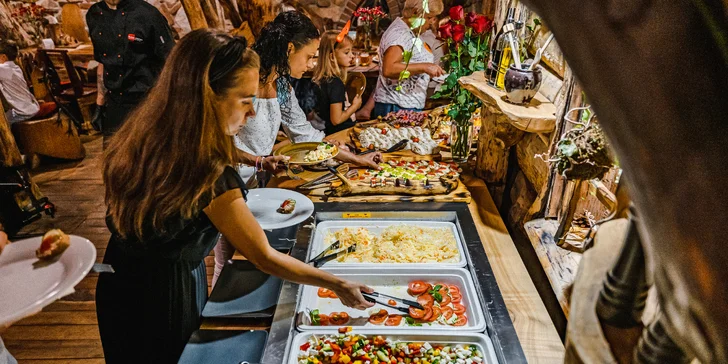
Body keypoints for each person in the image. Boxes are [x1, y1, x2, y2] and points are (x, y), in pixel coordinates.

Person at [96, 29, 374, 363]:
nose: (253, 113)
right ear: (207, 96)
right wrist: (339, 284)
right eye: (245, 100)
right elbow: (263, 256)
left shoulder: (153, 129)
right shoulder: (207, 171)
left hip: (117, 280)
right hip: (164, 294)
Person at [213, 11, 382, 286]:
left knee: (249, 253)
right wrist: (257, 160)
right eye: (310, 56)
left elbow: (305, 135)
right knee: (225, 256)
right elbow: (212, 144)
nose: (312, 64)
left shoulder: (280, 85)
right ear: (289, 48)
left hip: (256, 186)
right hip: (222, 183)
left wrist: (356, 160)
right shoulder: (245, 81)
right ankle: (215, 316)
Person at [86, 0, 174, 142]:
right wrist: (100, 102)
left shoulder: (148, 15)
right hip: (115, 102)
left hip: (147, 102)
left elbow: (170, 62)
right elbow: (102, 61)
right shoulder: (94, 14)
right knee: (113, 160)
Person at [371, 0, 445, 118]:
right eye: (429, 17)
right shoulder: (399, 34)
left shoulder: (410, 31)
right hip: (396, 106)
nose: (432, 22)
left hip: (405, 104)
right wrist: (425, 67)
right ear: (415, 12)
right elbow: (389, 69)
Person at [312, 30, 362, 135]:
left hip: (327, 130)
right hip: (341, 132)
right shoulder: (335, 83)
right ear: (331, 56)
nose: (352, 56)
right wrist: (355, 106)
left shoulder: (321, 78)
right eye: (346, 52)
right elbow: (336, 120)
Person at [0, 41, 39, 125]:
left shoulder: (3, 68)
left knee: (2, 124)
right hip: (31, 107)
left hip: (22, 112)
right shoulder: (16, 67)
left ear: (3, 57)